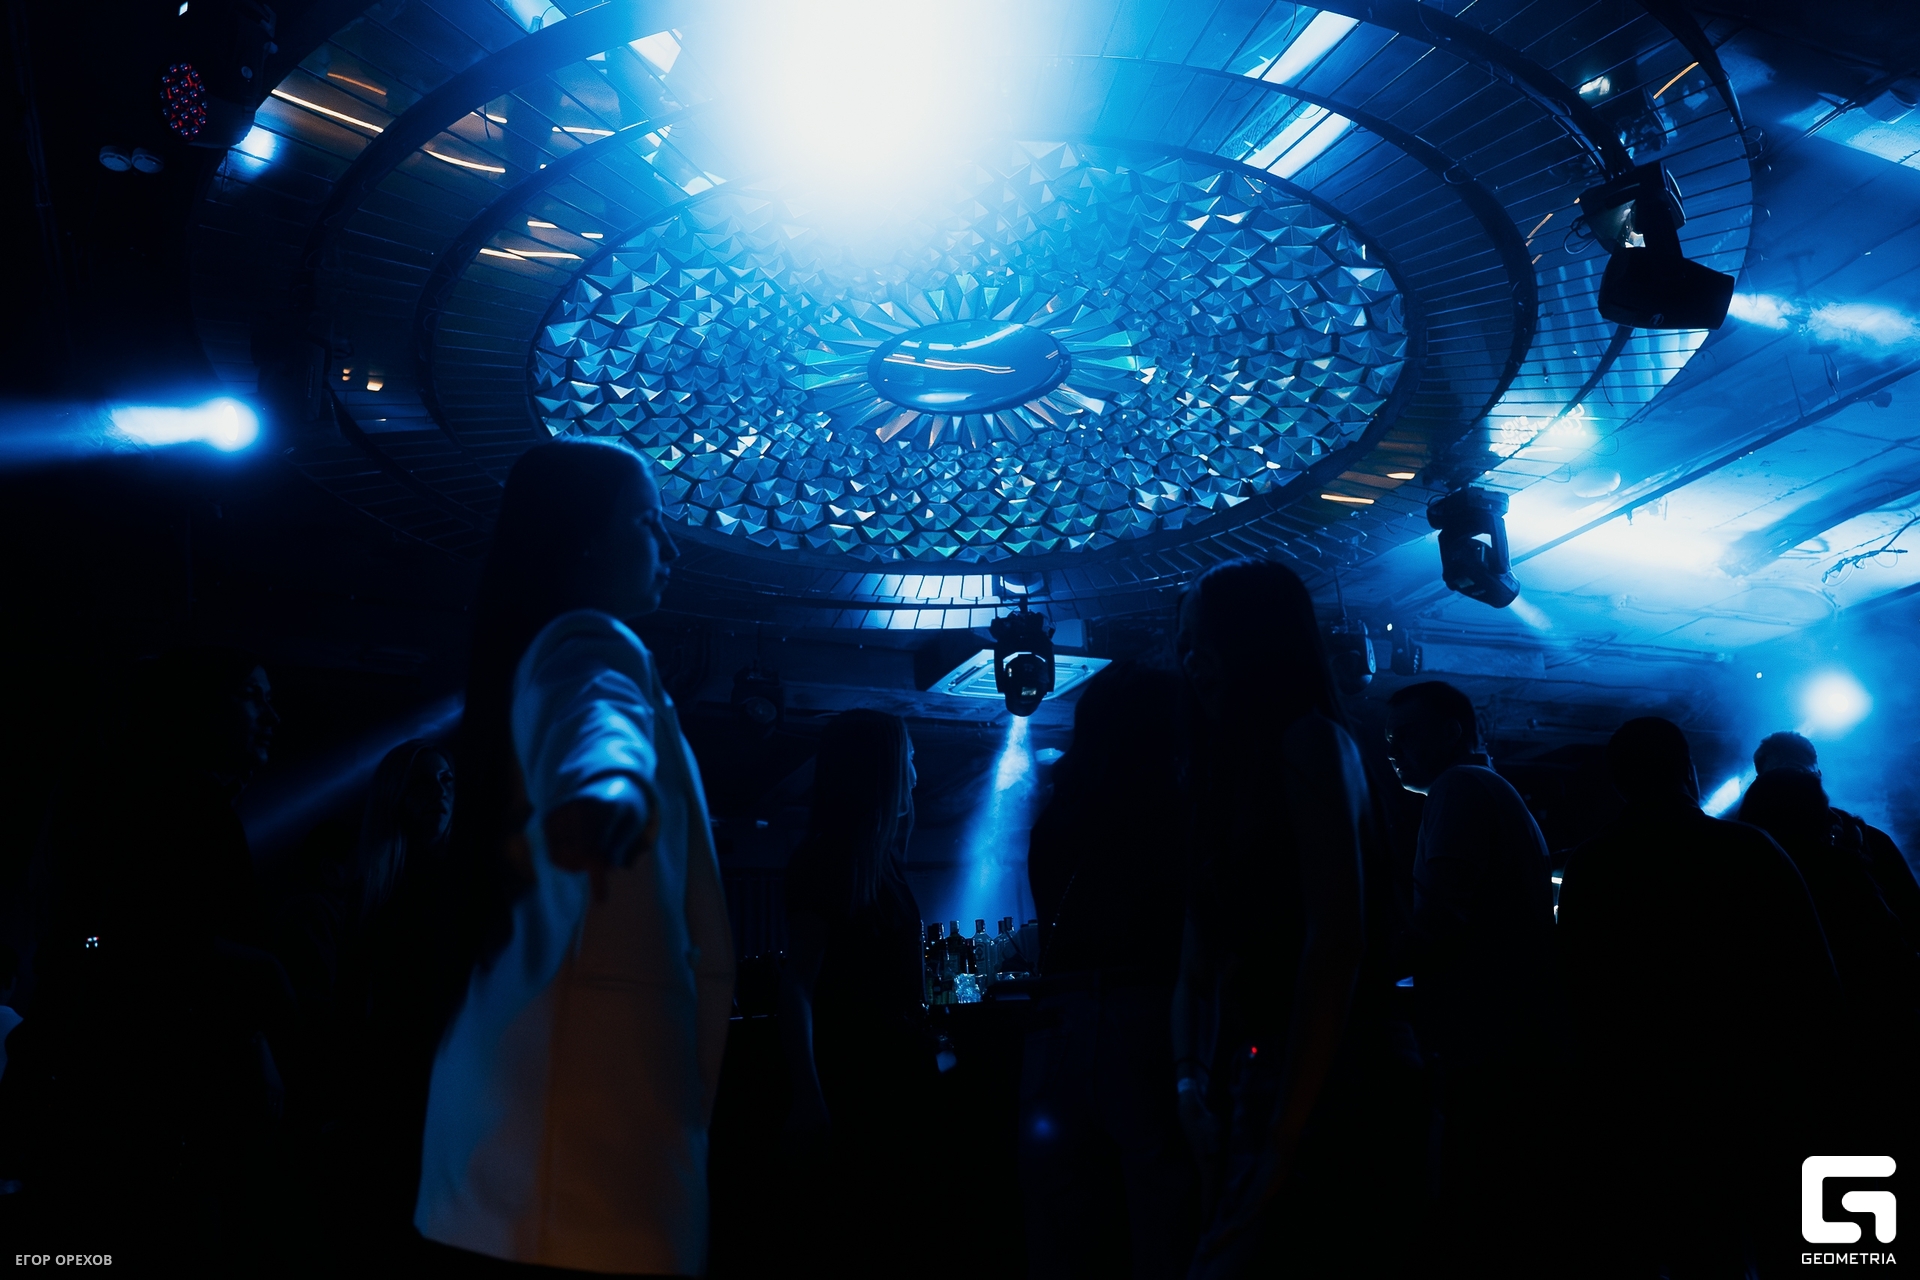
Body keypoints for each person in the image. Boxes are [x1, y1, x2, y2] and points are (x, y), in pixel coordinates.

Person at [414, 440, 734, 1275]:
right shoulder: (591, 644)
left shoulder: (540, 658)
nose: (671, 546)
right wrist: (605, 791)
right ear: (587, 541)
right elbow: (598, 722)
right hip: (577, 1147)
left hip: (526, 1146)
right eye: (648, 522)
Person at [29, 646, 294, 1262]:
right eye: (252, 696)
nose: (273, 716)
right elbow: (139, 939)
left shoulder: (153, 804)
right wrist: (263, 980)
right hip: (163, 1110)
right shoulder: (178, 808)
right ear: (201, 709)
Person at [1557, 718, 1837, 1278]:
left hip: (1644, 1092)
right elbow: (1813, 975)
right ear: (1688, 771)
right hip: (1752, 1084)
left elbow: (1576, 990)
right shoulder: (1750, 849)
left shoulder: (1592, 865)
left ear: (1618, 782)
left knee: (1689, 1243)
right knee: (1779, 1239)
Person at [1171, 559, 1369, 1278]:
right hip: (1262, 1080)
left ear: (1256, 643)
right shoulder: (1227, 774)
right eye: (1185, 645)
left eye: (1207, 641)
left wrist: (1285, 1132)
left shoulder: (1309, 743)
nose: (1192, 661)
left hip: (1331, 1078)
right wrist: (1191, 1085)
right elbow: (1196, 961)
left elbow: (1336, 940)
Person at [1019, 661, 1197, 1280]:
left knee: (1065, 1230)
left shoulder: (1057, 819)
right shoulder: (1175, 810)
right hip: (1147, 1017)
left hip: (1056, 1025)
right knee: (1164, 1222)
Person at [1383, 681, 1558, 1275]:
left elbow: (1443, 918)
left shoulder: (1458, 788)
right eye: (1389, 738)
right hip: (1511, 1037)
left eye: (1404, 735)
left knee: (1474, 1204)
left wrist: (1357, 974)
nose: (1392, 749)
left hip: (1487, 1043)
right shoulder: (1487, 788)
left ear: (1451, 731)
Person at [777, 709, 928, 1276]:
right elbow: (797, 982)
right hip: (858, 1084)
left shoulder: (880, 864)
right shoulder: (826, 862)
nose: (916, 774)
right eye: (908, 759)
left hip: (886, 1082)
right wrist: (808, 1095)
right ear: (880, 771)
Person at [1753, 730, 1920, 953]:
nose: (1793, 787)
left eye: (1799, 775)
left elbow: (1914, 919)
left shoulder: (1870, 840)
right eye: (1781, 777)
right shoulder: (1750, 849)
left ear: (1818, 776)